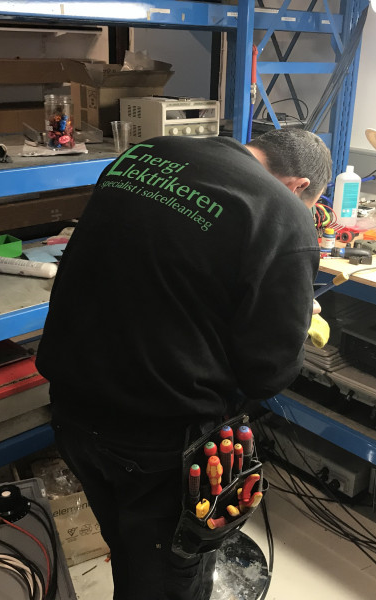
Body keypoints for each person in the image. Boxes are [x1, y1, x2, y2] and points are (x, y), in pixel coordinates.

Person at [36, 129, 332, 600]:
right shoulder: (282, 212)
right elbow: (267, 373)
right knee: (167, 579)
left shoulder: (148, 154)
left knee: (127, 546)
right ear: (299, 187)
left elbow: (164, 272)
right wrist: (295, 319)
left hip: (71, 407)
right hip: (157, 440)